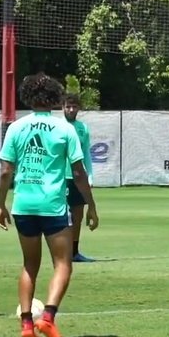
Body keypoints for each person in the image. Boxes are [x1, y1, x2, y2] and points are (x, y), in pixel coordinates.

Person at [0, 74, 99, 337]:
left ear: (27, 98)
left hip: (23, 205)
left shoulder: (16, 128)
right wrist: (91, 206)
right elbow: (78, 173)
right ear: (55, 99)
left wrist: (0, 204)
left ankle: (27, 323)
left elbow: (6, 171)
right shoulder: (65, 129)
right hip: (53, 205)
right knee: (63, 264)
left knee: (30, 264)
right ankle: (49, 317)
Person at [63, 93, 98, 263]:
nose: (71, 109)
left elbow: (86, 155)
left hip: (78, 177)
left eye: (74, 106)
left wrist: (89, 175)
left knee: (78, 215)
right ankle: (61, 251)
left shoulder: (83, 128)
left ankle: (74, 252)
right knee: (61, 215)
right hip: (61, 177)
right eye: (68, 106)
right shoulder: (58, 126)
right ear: (62, 107)